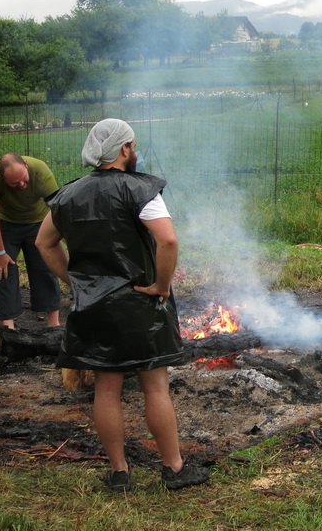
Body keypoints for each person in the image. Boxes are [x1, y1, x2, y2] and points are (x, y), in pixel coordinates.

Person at [35, 118, 210, 492]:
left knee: (106, 389)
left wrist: (76, 282)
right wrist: (161, 286)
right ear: (125, 149)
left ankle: (119, 472)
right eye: (132, 145)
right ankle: (174, 469)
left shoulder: (67, 195)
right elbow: (169, 241)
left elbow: (43, 244)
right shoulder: (141, 190)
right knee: (155, 388)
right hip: (141, 305)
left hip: (93, 307)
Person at [0, 153, 61, 330]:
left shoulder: (40, 171)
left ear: (26, 165)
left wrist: (56, 243)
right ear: (1, 177)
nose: (21, 185)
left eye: (23, 179)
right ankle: (8, 327)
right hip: (7, 224)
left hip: (39, 223)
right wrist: (0, 253)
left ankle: (53, 325)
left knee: (45, 269)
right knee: (3, 271)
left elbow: (58, 211)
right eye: (14, 183)